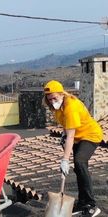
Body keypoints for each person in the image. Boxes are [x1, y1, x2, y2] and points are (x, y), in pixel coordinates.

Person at [43, 80, 102, 217]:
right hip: (78, 137)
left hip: (90, 135)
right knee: (78, 167)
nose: (52, 101)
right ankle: (83, 203)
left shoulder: (71, 106)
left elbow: (71, 136)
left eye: (54, 98)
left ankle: (91, 205)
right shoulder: (57, 108)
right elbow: (66, 127)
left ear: (62, 94)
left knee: (80, 162)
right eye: (49, 98)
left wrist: (64, 160)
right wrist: (63, 134)